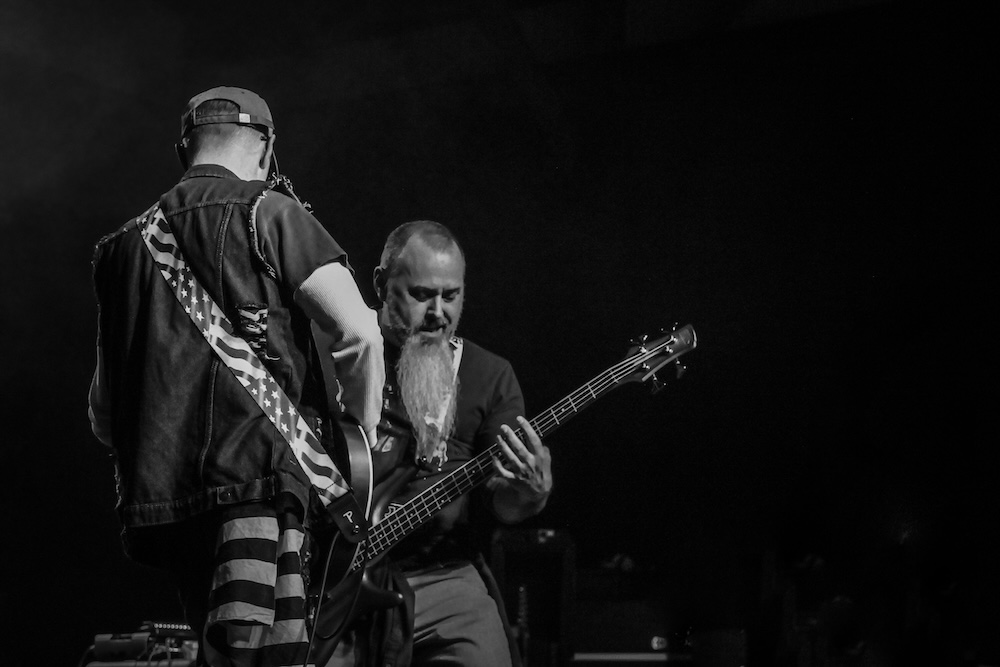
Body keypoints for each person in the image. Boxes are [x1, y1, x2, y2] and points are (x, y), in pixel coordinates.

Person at [88, 86, 385, 666]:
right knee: (265, 655)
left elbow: (104, 411)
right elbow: (359, 332)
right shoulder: (269, 212)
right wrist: (362, 438)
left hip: (166, 507)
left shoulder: (120, 249)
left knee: (219, 652)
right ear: (267, 147)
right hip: (258, 491)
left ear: (185, 149)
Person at [324, 220, 553, 666]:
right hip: (334, 573)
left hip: (442, 574)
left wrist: (530, 494)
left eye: (451, 296)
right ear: (381, 284)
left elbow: (503, 504)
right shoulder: (333, 352)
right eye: (422, 294)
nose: (438, 313)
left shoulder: (491, 375)